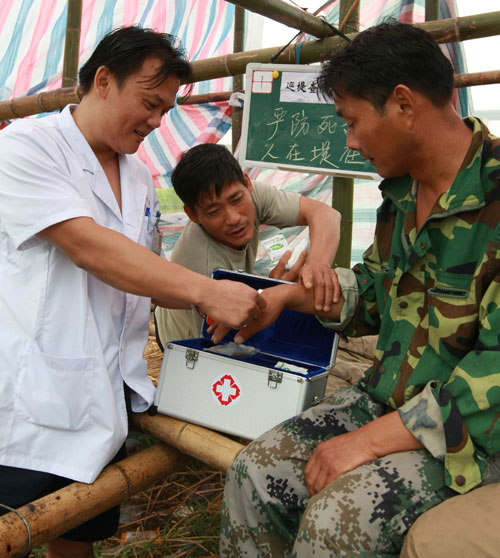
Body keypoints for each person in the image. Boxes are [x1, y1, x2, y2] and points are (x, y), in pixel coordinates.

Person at [219, 21, 500, 558]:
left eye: (351, 122)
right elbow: (375, 292)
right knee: (253, 472)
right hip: (386, 404)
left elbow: (493, 382)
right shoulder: (403, 194)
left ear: (402, 104)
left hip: (471, 438)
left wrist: (364, 444)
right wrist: (287, 297)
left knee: (337, 520)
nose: (348, 140)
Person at [0, 26, 265, 558]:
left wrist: (233, 296)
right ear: (103, 80)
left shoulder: (139, 175)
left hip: (108, 393)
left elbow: (141, 275)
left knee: (78, 535)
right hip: (35, 397)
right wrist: (204, 292)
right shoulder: (24, 147)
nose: (156, 121)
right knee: (13, 531)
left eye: (166, 110)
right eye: (149, 103)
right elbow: (88, 247)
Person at [154, 142, 341, 347]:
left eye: (236, 200)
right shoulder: (202, 263)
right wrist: (271, 291)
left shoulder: (248, 194)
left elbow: (326, 215)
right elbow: (229, 335)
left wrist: (318, 265)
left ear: (247, 183)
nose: (233, 218)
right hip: (185, 337)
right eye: (214, 212)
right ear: (192, 214)